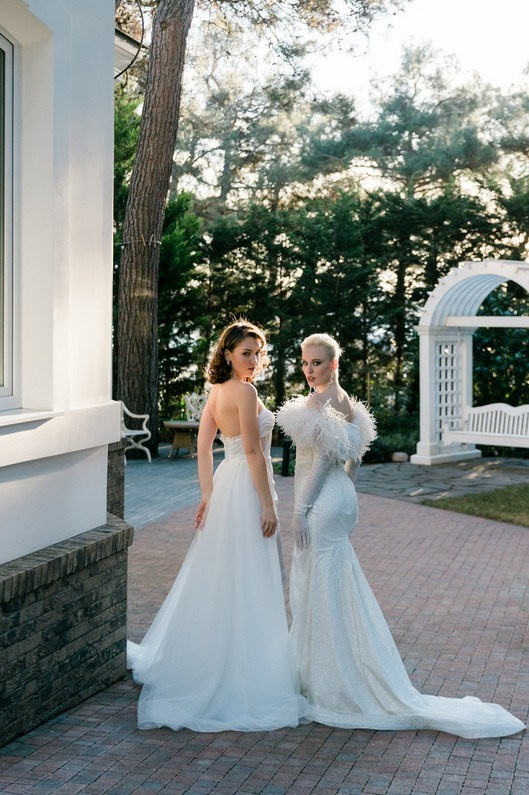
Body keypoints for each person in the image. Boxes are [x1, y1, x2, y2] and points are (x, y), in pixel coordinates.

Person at [276, 332, 525, 739]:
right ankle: (325, 672)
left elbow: (323, 461)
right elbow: (353, 460)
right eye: (304, 363)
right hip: (339, 497)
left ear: (334, 364)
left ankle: (328, 682)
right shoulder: (348, 403)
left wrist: (301, 511)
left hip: (320, 500)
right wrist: (346, 494)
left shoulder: (326, 402)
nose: (309, 370)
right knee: (332, 584)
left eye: (316, 363)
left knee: (318, 586)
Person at [127, 320, 307, 732]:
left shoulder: (217, 392)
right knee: (247, 574)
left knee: (224, 573)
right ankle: (244, 670)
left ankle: (222, 656)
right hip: (245, 488)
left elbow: (206, 448)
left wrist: (208, 493)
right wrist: (267, 504)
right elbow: (253, 452)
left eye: (258, 353)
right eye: (247, 352)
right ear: (227, 354)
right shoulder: (244, 391)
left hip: (228, 485)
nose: (254, 360)